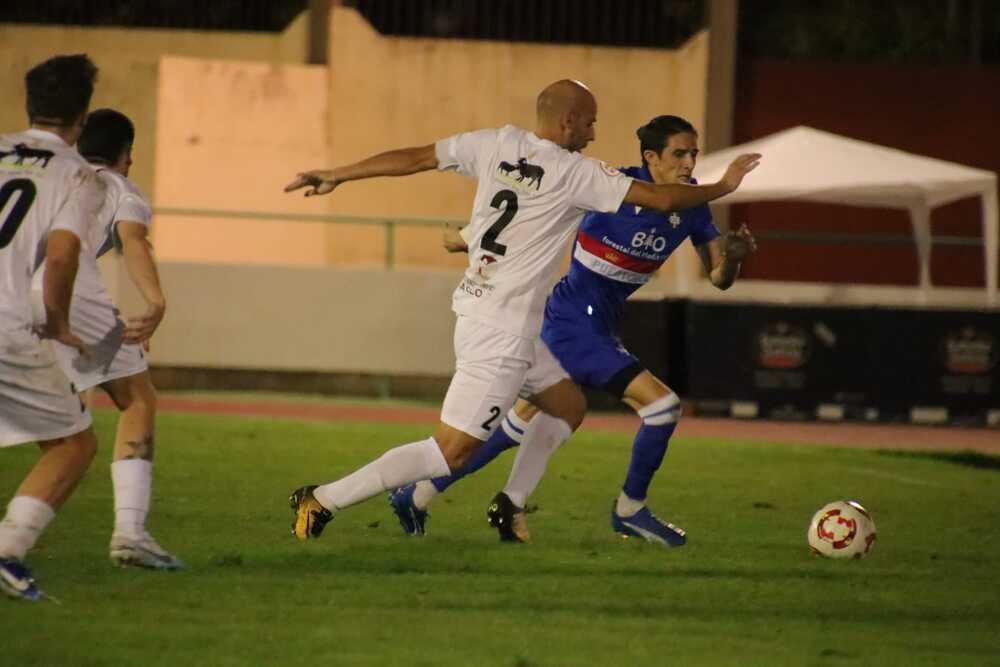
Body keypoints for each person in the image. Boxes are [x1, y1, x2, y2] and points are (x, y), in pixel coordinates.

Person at [283, 81, 760, 541]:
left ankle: (510, 502)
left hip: (497, 316)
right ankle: (324, 498)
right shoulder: (577, 174)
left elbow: (417, 157)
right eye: (590, 124)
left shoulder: (495, 142)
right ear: (569, 120)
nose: (594, 134)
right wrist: (726, 184)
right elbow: (659, 199)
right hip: (502, 331)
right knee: (450, 452)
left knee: (567, 405)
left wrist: (338, 174)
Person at [34, 108, 180, 570]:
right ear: (126, 157)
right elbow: (133, 241)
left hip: (8, 291)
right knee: (137, 400)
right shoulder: (117, 186)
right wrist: (155, 301)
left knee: (54, 429)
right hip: (66, 286)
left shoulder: (49, 176)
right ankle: (130, 533)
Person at [0, 54, 104, 600]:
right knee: (72, 443)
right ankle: (8, 550)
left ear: (28, 104)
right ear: (82, 117)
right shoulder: (77, 174)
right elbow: (62, 255)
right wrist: (58, 324)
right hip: (6, 323)